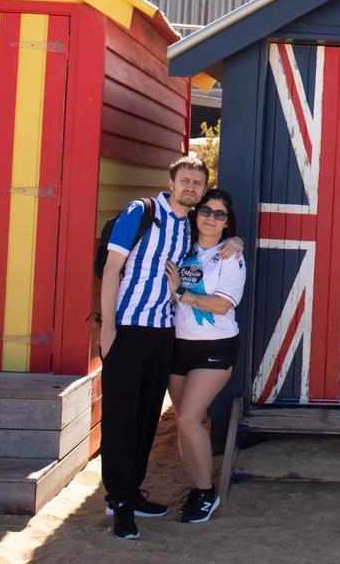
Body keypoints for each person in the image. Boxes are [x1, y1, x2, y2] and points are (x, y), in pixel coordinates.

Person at [99, 155, 208, 540]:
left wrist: (238, 240)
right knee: (120, 420)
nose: (191, 187)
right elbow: (112, 269)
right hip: (127, 328)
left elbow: (219, 238)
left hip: (163, 332)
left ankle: (132, 492)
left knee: (146, 418)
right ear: (172, 181)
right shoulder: (141, 212)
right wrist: (108, 328)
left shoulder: (189, 228)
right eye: (185, 180)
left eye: (197, 182)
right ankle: (120, 506)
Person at [166, 188, 245, 524]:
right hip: (178, 344)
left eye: (220, 214)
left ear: (228, 223)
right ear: (196, 214)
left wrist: (181, 295)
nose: (211, 218)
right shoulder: (180, 247)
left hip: (216, 345)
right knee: (186, 426)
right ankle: (196, 488)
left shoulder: (231, 255)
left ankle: (205, 491)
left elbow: (223, 305)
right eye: (206, 211)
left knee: (187, 418)